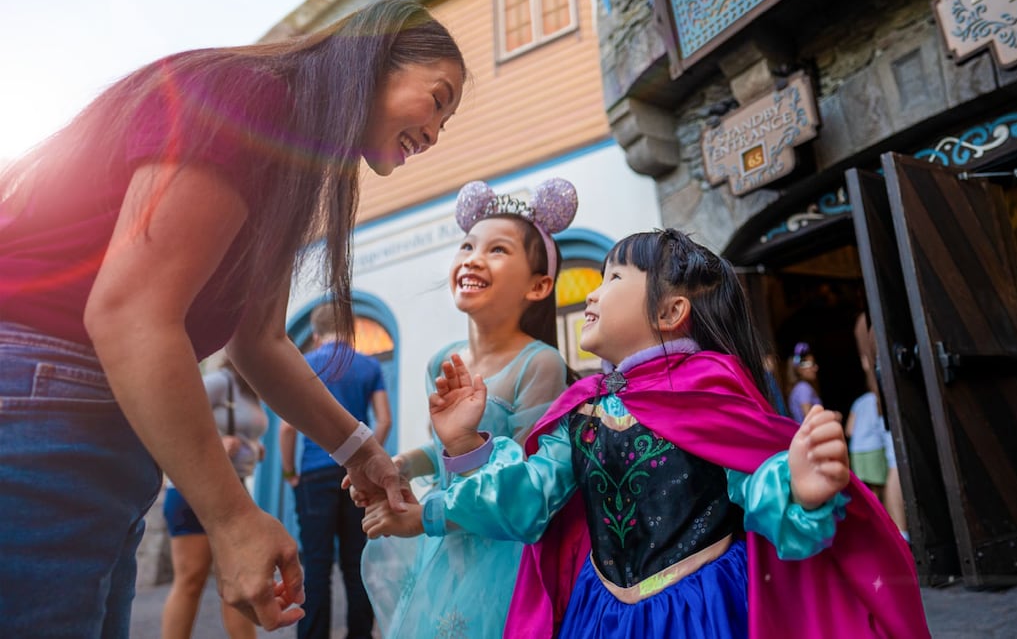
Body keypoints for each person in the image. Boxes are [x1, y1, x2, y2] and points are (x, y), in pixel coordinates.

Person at [0, 0, 458, 636]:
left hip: (82, 419)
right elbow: (131, 313)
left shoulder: (292, 161)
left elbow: (260, 339)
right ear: (378, 59)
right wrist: (233, 518)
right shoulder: (252, 97)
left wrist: (361, 452)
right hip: (42, 401)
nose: (437, 134)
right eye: (438, 100)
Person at [362, 229, 930, 638]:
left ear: (670, 311)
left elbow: (752, 485)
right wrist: (466, 445)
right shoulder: (581, 408)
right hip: (600, 614)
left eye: (612, 278)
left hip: (702, 610)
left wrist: (795, 488)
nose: (590, 292)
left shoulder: (709, 391)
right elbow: (528, 498)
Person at [359, 178, 577, 637]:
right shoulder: (443, 360)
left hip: (499, 550)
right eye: (467, 245)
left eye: (497, 250)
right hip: (443, 547)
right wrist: (399, 463)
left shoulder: (539, 363)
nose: (473, 257)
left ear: (538, 286)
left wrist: (426, 517)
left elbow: (519, 480)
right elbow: (441, 450)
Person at [280, 304, 392, 639]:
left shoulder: (304, 364)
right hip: (357, 476)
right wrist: (366, 457)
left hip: (314, 475)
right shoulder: (369, 365)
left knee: (316, 565)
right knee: (356, 563)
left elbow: (287, 429)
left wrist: (290, 474)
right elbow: (384, 419)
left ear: (315, 336)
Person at [161, 350, 268, 639]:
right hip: (193, 491)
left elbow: (245, 432)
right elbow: (172, 412)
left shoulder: (253, 390)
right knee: (191, 580)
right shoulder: (222, 381)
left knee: (236, 583)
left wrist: (253, 447)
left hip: (235, 489)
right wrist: (217, 442)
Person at [852, 312, 909, 542]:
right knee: (896, 462)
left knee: (891, 466)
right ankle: (902, 534)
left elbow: (866, 364)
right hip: (888, 394)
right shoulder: (872, 317)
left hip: (879, 394)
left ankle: (899, 532)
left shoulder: (861, 323)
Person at [785, 341, 822, 423]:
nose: (816, 368)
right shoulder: (803, 388)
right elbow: (810, 419)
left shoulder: (799, 387)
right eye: (811, 364)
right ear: (800, 369)